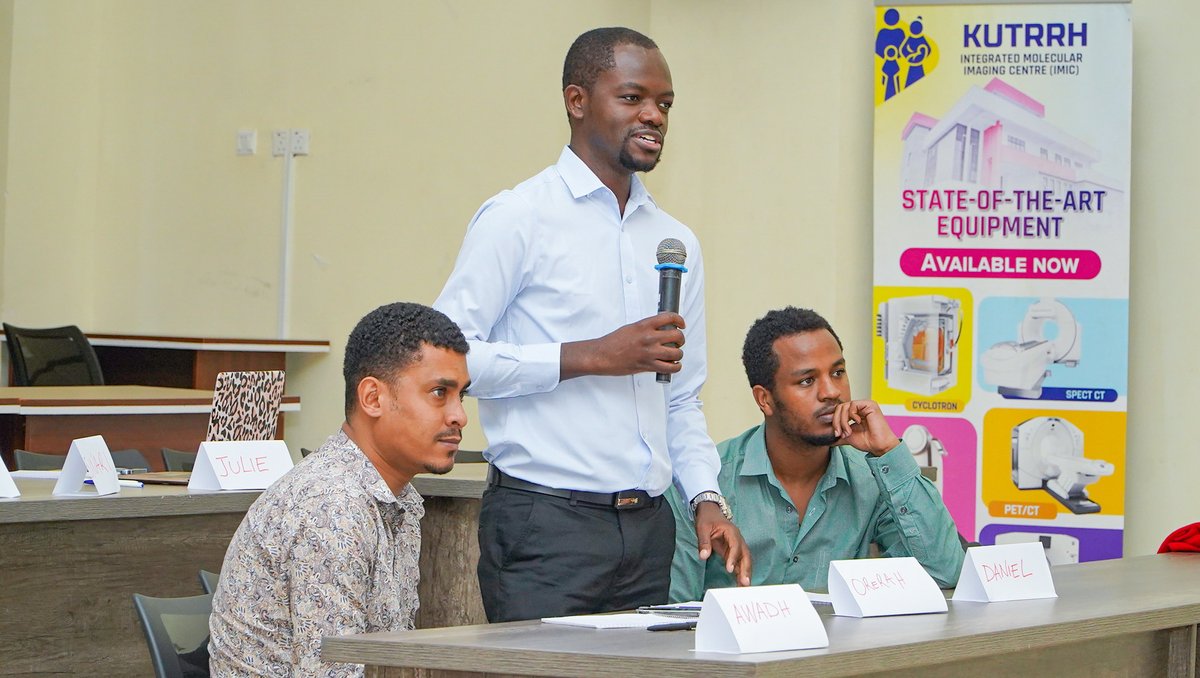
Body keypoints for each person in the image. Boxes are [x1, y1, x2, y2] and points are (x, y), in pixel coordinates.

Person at [433, 26, 749, 622]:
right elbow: (445, 361)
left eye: (664, 104)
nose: (653, 116)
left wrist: (706, 497)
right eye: (632, 99)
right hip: (545, 528)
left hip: (651, 531)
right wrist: (589, 356)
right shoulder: (519, 218)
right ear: (577, 102)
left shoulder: (675, 241)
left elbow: (681, 400)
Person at [208, 302, 470, 676]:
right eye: (439, 392)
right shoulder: (332, 505)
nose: (459, 414)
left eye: (463, 395)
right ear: (373, 398)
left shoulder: (395, 498)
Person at [668, 307, 964, 601]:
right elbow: (674, 611)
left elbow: (943, 573)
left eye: (838, 373)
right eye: (807, 381)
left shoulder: (872, 477)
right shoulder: (704, 484)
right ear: (765, 399)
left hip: (840, 648)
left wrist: (888, 451)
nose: (831, 392)